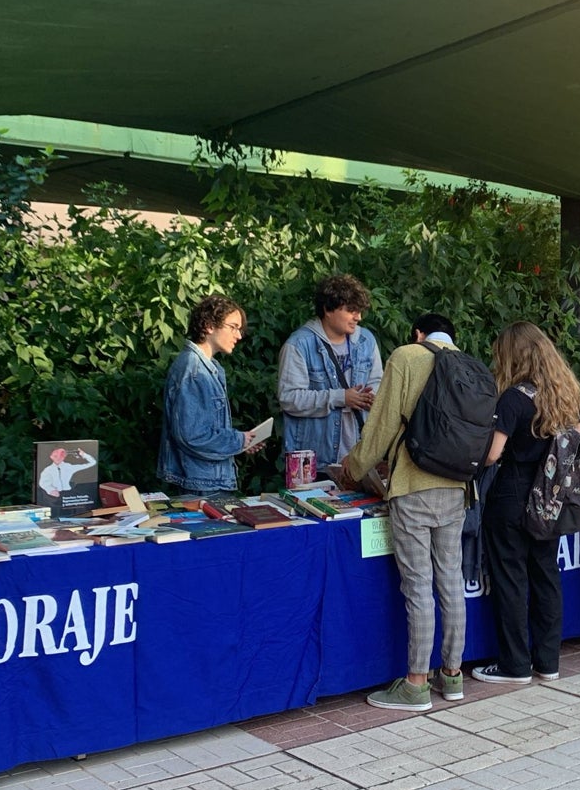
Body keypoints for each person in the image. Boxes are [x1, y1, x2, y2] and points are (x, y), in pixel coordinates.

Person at [341, 312, 466, 711]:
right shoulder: (465, 361)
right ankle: (452, 675)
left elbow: (381, 426)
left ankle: (415, 684)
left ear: (418, 333)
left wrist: (354, 468)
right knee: (450, 580)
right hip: (457, 486)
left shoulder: (407, 356)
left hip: (414, 486)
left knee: (418, 587)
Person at [471, 321, 580, 684]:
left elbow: (492, 455)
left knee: (511, 580)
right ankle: (548, 661)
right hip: (550, 497)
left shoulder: (513, 398)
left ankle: (514, 664)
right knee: (547, 576)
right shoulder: (564, 394)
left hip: (511, 494)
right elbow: (577, 441)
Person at [157, 294, 262, 496]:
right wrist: (238, 440)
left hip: (207, 481)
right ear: (208, 325)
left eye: (240, 329)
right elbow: (192, 436)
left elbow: (204, 429)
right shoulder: (193, 369)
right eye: (233, 327)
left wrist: (242, 442)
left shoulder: (208, 367)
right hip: (202, 485)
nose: (239, 336)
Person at [278, 274, 383, 466]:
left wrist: (373, 397)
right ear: (328, 309)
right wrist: (341, 398)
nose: (358, 317)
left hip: (357, 458)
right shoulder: (299, 345)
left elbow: (377, 381)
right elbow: (289, 398)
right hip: (311, 461)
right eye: (351, 310)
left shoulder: (366, 340)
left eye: (359, 311)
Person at [37, 446, 97, 517]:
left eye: (61, 455)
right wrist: (50, 490)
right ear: (51, 456)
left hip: (69, 496)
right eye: (55, 455)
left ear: (64, 456)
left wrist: (84, 455)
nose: (58, 458)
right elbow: (43, 482)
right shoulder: (47, 470)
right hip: (54, 497)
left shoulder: (69, 467)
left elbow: (92, 463)